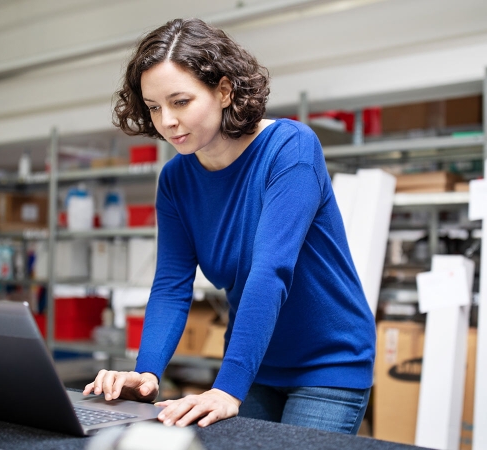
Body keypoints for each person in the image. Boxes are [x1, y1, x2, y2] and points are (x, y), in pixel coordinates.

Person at [83, 18, 376, 435]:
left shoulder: (290, 149)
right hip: (256, 361)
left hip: (328, 362)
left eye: (180, 101)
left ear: (224, 90)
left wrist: (227, 389)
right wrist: (147, 374)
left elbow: (269, 271)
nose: (166, 121)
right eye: (153, 107)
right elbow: (171, 285)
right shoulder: (176, 181)